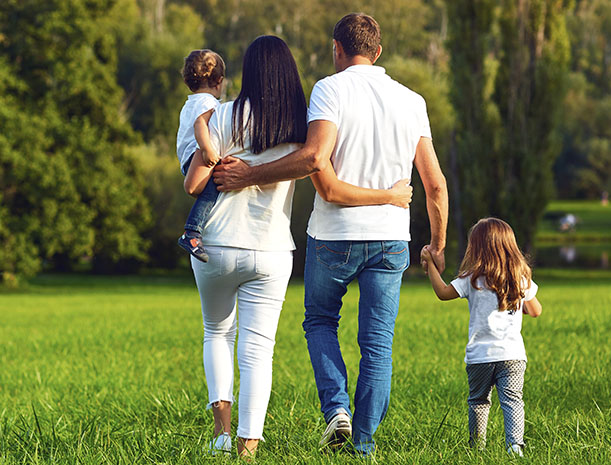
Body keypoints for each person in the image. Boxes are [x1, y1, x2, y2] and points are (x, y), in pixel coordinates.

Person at [211, 13, 449, 455]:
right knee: (377, 344)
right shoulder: (412, 100)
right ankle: (363, 444)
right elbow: (434, 183)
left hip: (334, 236)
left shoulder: (329, 89)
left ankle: (337, 411)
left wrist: (249, 175)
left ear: (337, 49)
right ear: (378, 52)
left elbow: (315, 158)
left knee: (320, 321)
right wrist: (437, 243)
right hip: (391, 239)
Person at [420, 217, 542, 457]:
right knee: (513, 401)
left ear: (475, 247)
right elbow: (535, 310)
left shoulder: (472, 278)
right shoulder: (520, 278)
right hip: (513, 356)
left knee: (478, 401)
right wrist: (517, 303)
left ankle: (477, 448)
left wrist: (430, 266)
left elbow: (443, 293)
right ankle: (515, 448)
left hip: (480, 357)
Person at [176, 49, 227, 263]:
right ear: (219, 81)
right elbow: (200, 125)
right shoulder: (209, 103)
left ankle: (196, 231)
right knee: (215, 186)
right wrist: (207, 148)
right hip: (197, 156)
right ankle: (192, 232)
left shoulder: (190, 103)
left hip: (187, 159)